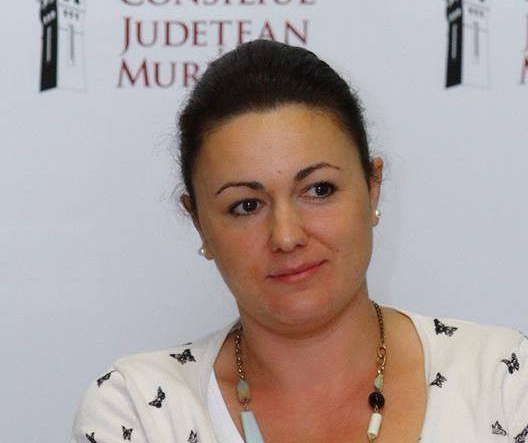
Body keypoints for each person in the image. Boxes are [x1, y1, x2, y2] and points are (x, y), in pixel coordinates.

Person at [70, 40, 527, 443]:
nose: (287, 237)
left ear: (372, 188)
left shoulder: (505, 381)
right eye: (246, 205)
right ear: (199, 224)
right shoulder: (140, 410)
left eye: (319, 190)